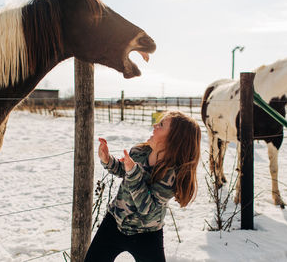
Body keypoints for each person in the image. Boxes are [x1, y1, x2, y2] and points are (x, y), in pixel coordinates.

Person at [84, 111, 201, 262]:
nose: (154, 125)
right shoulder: (139, 152)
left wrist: (133, 172)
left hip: (147, 234)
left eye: (161, 125)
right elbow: (124, 171)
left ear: (174, 139)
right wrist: (108, 161)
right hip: (115, 222)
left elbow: (147, 208)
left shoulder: (172, 175)